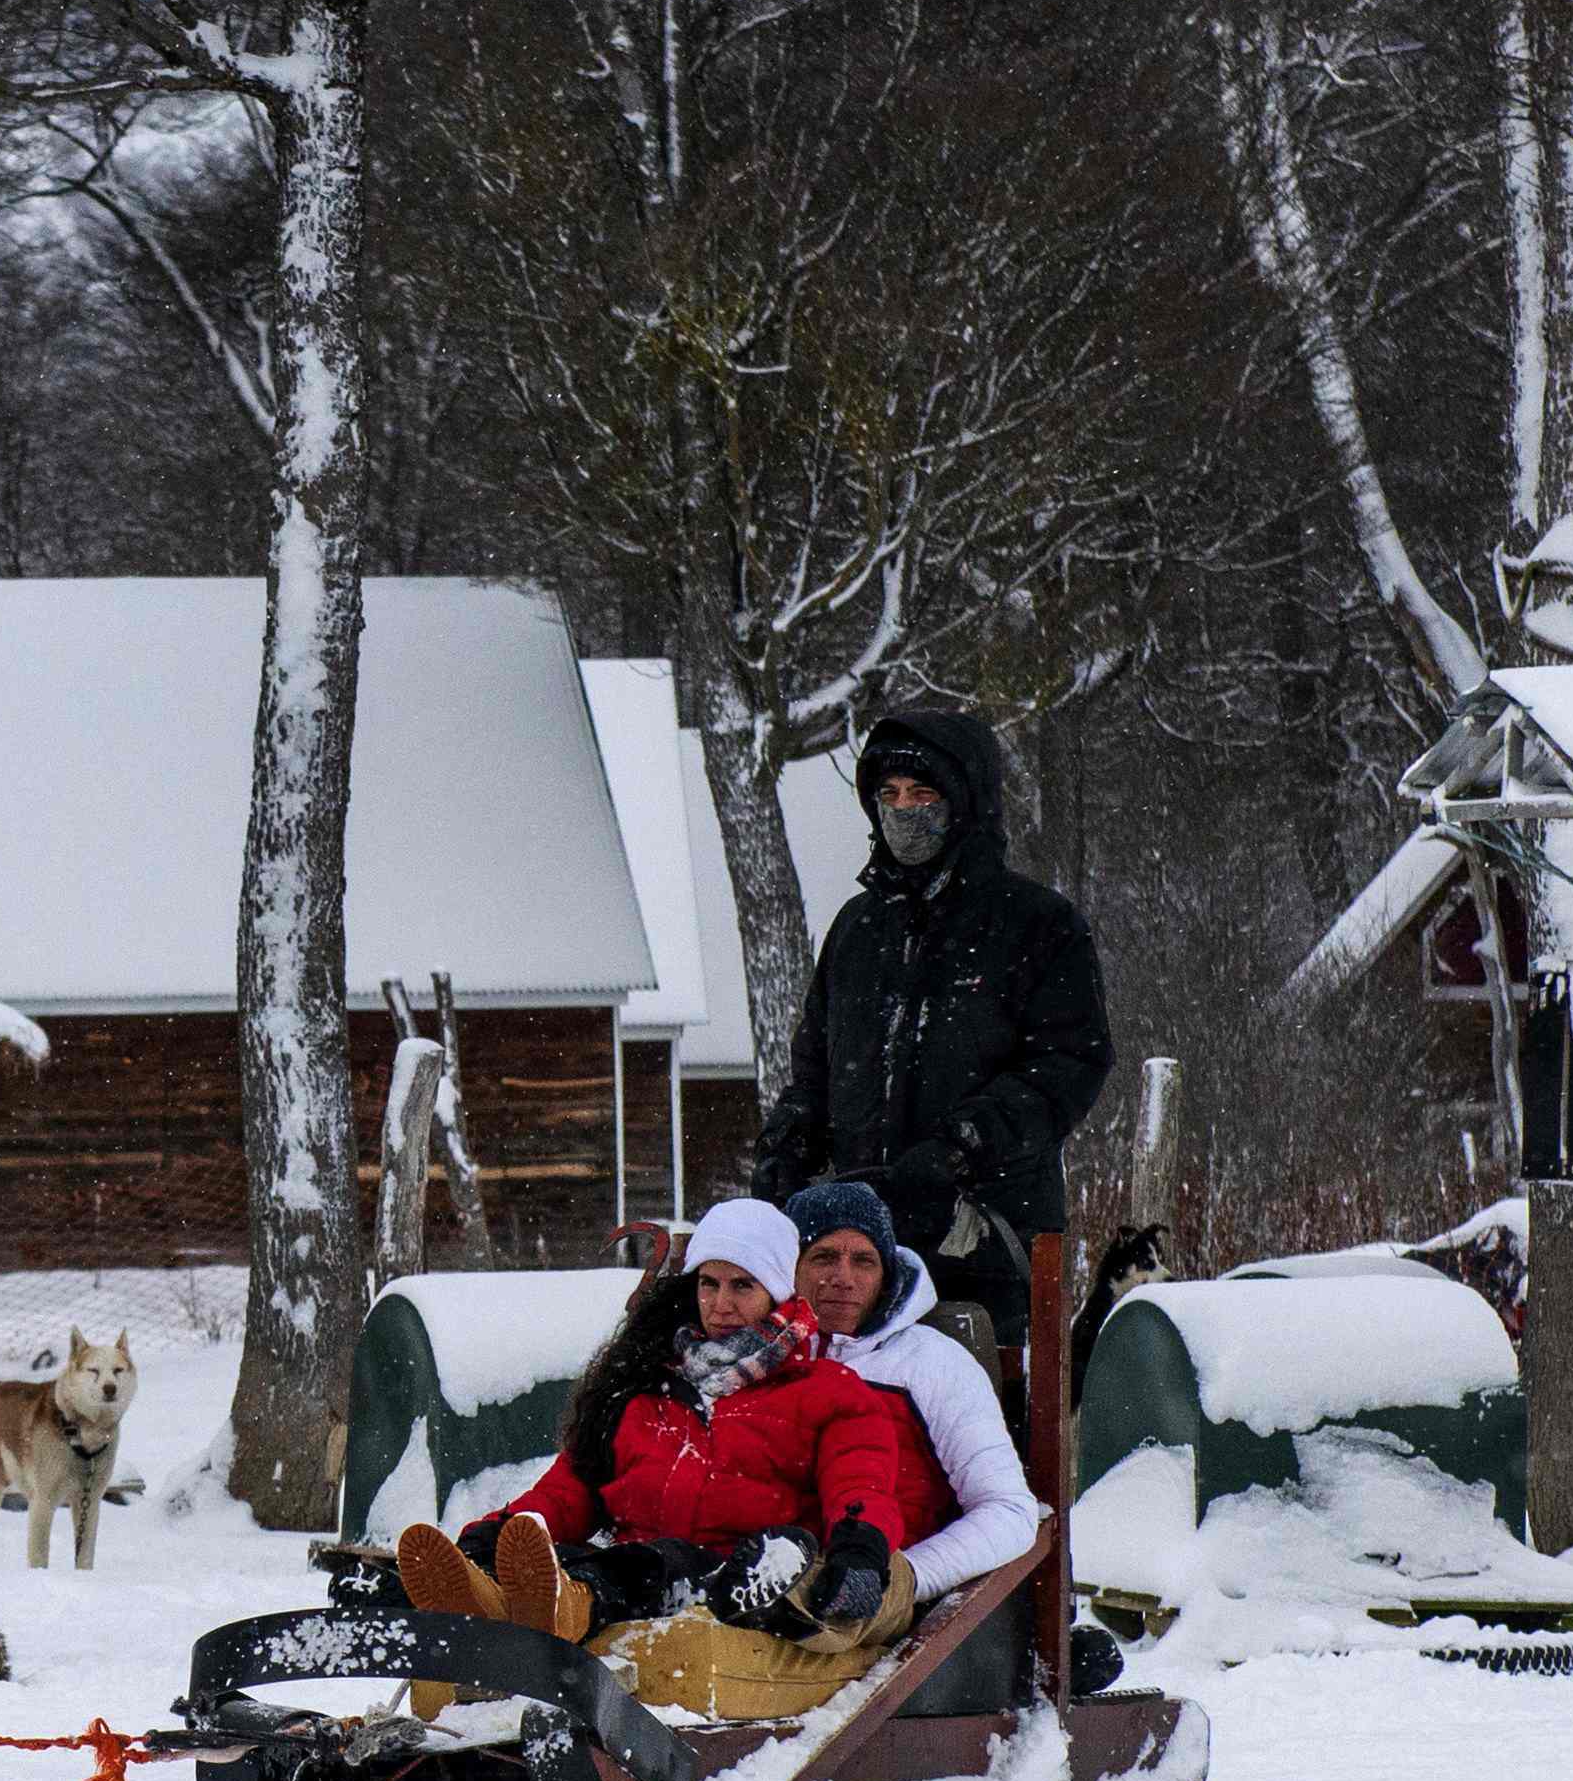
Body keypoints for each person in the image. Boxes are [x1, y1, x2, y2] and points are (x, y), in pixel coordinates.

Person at [756, 705, 1110, 1380]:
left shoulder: (1037, 924)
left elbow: (1069, 1065)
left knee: (976, 1417)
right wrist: (788, 1149)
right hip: (859, 1241)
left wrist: (961, 1146)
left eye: (922, 795)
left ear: (964, 803)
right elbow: (815, 1070)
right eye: (888, 795)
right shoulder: (858, 929)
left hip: (985, 1234)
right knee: (849, 1415)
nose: (903, 811)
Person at [397, 1197, 915, 1649]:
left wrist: (861, 1554)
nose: (721, 1305)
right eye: (708, 1284)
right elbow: (572, 1489)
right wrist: (504, 1531)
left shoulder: (828, 1391)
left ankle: (564, 1606)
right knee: (599, 1560)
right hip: (629, 1564)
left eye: (742, 1286)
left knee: (649, 1566)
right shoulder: (648, 1386)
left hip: (739, 1577)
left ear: (778, 1294)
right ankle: (488, 1595)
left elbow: (862, 1483)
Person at [780, 1178, 1044, 1613]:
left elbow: (1008, 1511)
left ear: (887, 1274)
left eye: (864, 1261)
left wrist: (904, 1581)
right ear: (789, 1267)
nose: (843, 1278)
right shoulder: (753, 1356)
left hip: (881, 1603)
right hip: (764, 1584)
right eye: (823, 1256)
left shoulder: (932, 1361)